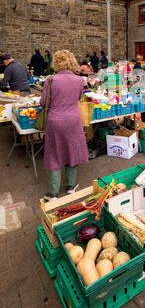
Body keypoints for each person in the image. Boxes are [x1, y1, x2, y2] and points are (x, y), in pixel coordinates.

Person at [41, 50, 89, 202]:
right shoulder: (79, 80)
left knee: (54, 154)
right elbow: (79, 97)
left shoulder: (50, 80)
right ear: (72, 62)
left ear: (56, 62)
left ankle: (53, 193)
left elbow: (43, 103)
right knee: (72, 150)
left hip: (55, 121)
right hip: (73, 120)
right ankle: (71, 186)